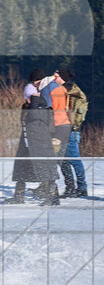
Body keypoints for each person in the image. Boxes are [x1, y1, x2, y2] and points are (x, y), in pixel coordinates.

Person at [5, 74, 59, 205]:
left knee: (45, 168)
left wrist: (34, 101)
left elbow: (39, 123)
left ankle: (53, 197)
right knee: (22, 168)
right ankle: (19, 196)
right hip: (27, 142)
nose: (26, 99)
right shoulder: (34, 107)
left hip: (38, 144)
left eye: (28, 97)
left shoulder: (38, 107)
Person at [58, 68, 88, 198]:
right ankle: (71, 187)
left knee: (73, 159)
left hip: (70, 130)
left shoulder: (69, 92)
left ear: (62, 78)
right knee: (63, 160)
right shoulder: (68, 90)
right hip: (66, 130)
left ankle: (81, 188)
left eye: (57, 76)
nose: (55, 78)